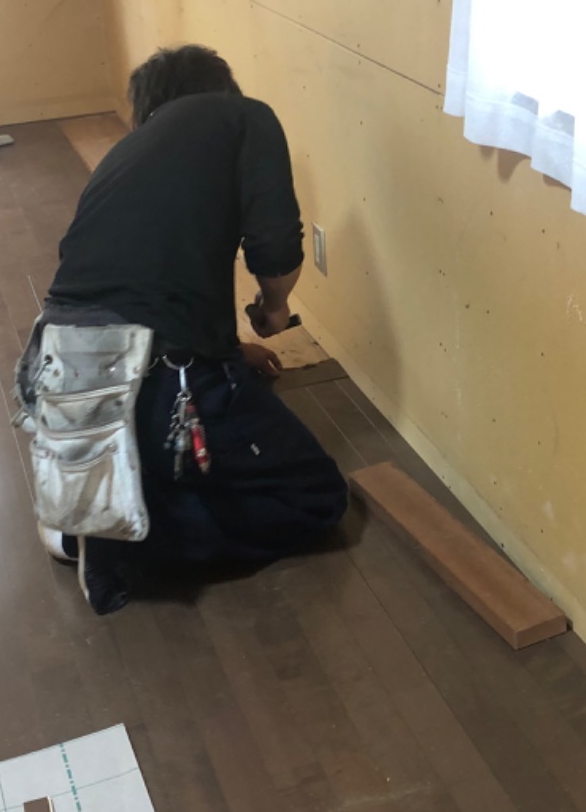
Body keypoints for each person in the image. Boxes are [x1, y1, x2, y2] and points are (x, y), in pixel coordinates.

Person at [18, 45, 349, 613]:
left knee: (197, 447)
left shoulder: (125, 158)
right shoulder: (245, 117)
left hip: (59, 371)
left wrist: (229, 350)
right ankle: (119, 542)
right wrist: (275, 308)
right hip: (154, 371)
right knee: (316, 496)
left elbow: (142, 283)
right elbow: (275, 250)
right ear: (222, 88)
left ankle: (91, 501)